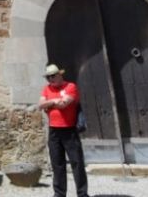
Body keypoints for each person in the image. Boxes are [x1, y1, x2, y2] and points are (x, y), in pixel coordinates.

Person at [39, 64, 88, 197]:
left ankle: (82, 194)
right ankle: (59, 194)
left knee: (77, 162)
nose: (50, 79)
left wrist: (50, 103)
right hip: (54, 131)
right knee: (57, 164)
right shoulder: (46, 89)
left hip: (69, 130)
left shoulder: (70, 87)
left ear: (60, 75)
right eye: (48, 77)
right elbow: (40, 105)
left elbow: (64, 104)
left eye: (53, 76)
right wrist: (54, 101)